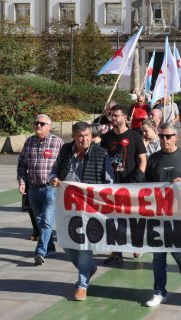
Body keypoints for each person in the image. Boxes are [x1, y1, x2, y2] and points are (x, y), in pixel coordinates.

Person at [48, 122, 114, 301]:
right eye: (80, 136)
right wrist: (53, 179)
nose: (84, 139)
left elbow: (109, 182)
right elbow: (54, 171)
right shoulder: (65, 151)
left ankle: (82, 284)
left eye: (87, 136)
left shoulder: (101, 154)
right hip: (67, 207)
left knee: (84, 245)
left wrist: (101, 200)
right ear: (74, 137)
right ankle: (89, 268)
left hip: (89, 209)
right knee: (67, 243)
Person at [144, 122, 181, 307]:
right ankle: (159, 292)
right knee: (158, 256)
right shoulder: (153, 159)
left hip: (180, 214)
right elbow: (145, 186)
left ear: (176, 137)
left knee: (179, 254)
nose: (165, 140)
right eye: (162, 136)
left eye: (168, 136)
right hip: (158, 214)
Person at [101, 105, 147, 265]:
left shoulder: (134, 136)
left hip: (131, 184)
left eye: (116, 115)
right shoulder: (107, 137)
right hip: (112, 185)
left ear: (125, 117)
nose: (113, 118)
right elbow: (102, 159)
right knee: (113, 219)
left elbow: (142, 159)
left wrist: (138, 177)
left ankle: (137, 244)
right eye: (111, 115)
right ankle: (116, 252)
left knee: (132, 217)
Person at [17, 114, 64, 265]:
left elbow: (65, 164)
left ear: (49, 126)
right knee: (39, 220)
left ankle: (40, 252)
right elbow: (22, 164)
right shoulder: (29, 142)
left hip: (50, 188)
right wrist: (22, 181)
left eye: (42, 124)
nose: (38, 125)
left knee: (46, 221)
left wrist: (60, 180)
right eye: (36, 123)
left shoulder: (58, 143)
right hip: (33, 188)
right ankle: (50, 248)